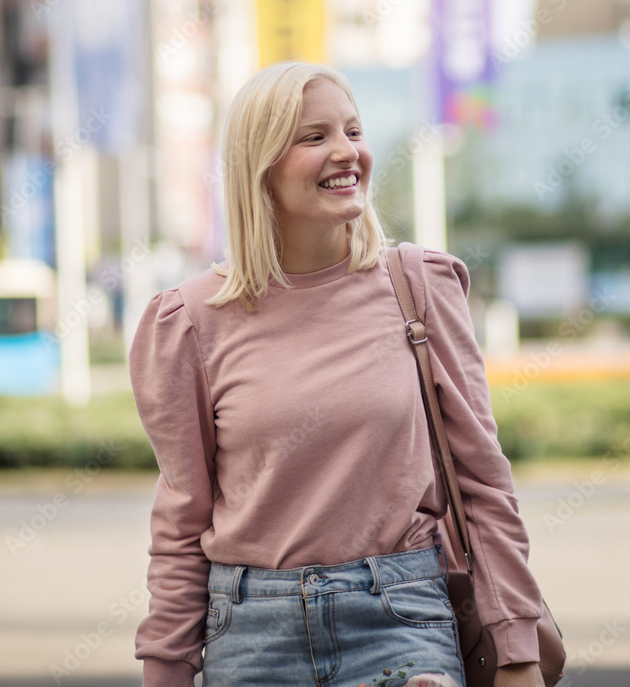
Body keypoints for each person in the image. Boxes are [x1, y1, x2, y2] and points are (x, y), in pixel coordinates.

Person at [129, 61, 546, 687]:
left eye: (354, 131)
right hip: (249, 638)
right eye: (315, 136)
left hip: (402, 620)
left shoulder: (418, 287)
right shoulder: (188, 322)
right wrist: (166, 668)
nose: (347, 152)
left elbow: (483, 483)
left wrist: (517, 651)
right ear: (260, 166)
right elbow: (182, 521)